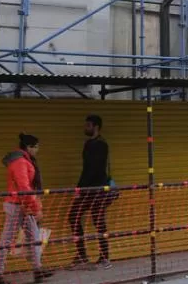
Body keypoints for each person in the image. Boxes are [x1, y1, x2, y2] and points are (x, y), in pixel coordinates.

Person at [0, 133, 53, 283]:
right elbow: (24, 187)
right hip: (17, 205)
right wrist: (36, 207)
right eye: (37, 147)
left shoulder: (24, 160)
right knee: (6, 240)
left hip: (23, 205)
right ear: (29, 147)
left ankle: (38, 270)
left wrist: (32, 205)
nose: (38, 150)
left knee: (34, 237)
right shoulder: (20, 162)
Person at [68, 114, 113, 270]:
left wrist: (80, 188)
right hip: (89, 189)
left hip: (97, 190)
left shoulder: (100, 144)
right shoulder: (89, 143)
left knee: (98, 221)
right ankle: (82, 255)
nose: (85, 128)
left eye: (88, 125)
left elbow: (94, 169)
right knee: (74, 217)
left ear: (96, 127)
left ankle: (105, 257)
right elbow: (87, 169)